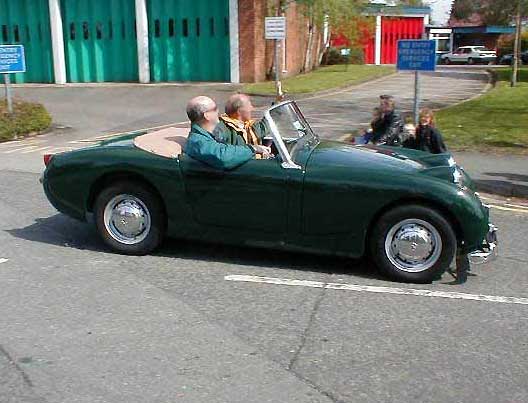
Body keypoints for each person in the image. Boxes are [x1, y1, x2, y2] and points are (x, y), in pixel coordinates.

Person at [184, 96, 271, 170]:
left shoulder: (207, 136)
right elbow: (222, 157)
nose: (218, 111)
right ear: (207, 115)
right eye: (215, 109)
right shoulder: (197, 141)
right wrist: (253, 149)